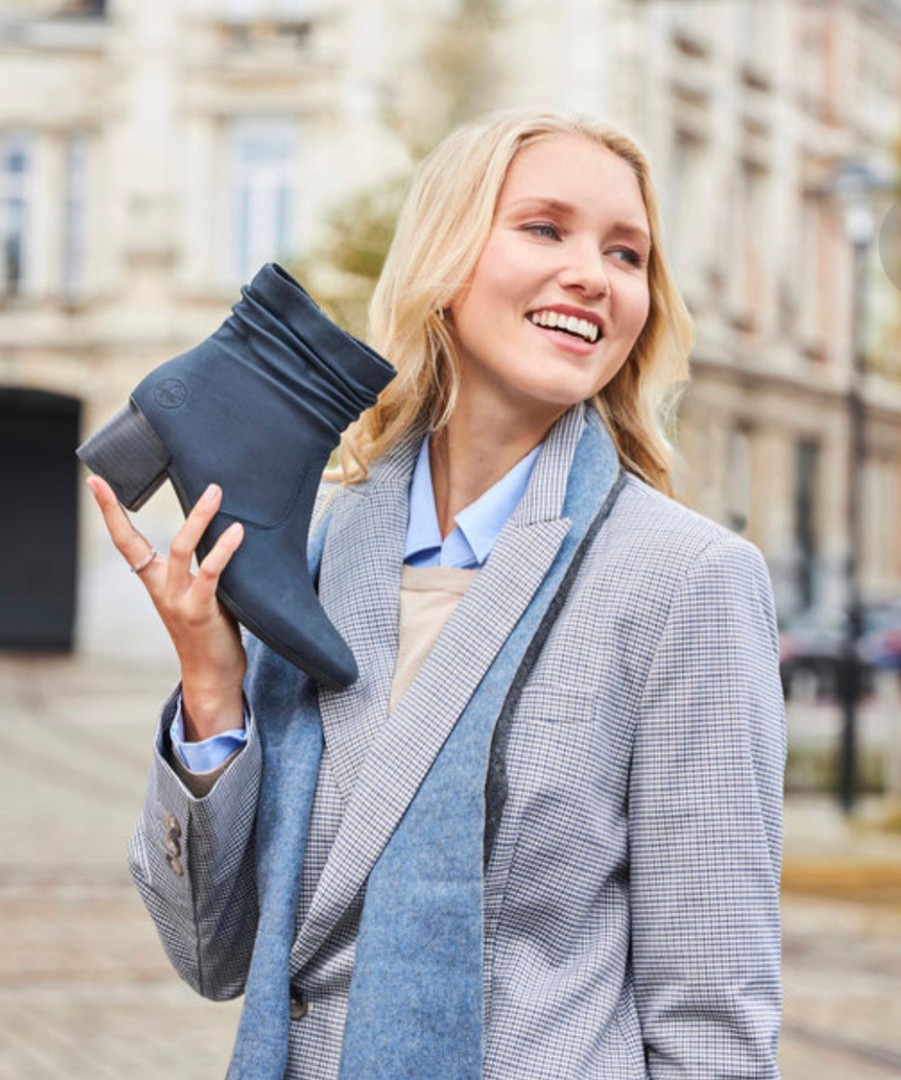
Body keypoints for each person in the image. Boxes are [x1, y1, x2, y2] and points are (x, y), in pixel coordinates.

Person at [87, 109, 786, 1079]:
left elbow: (713, 1021)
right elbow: (215, 956)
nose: (593, 272)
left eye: (626, 254)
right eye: (544, 229)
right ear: (444, 259)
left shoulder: (684, 582)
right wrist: (212, 683)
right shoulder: (320, 552)